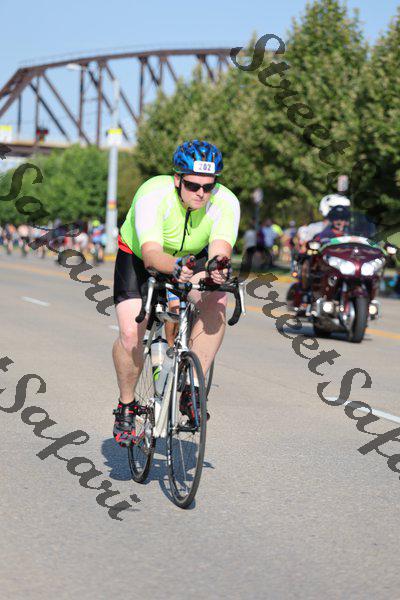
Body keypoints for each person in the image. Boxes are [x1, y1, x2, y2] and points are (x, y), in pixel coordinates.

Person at [112, 140, 240, 445]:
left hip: (192, 258)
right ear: (177, 180)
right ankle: (126, 405)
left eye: (208, 186)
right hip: (140, 258)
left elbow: (220, 249)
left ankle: (192, 390)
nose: (201, 193)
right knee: (131, 333)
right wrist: (175, 266)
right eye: (193, 185)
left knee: (217, 299)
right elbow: (152, 254)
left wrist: (218, 268)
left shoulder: (226, 201)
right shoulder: (153, 195)